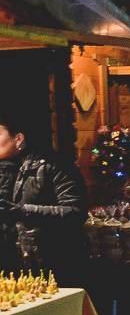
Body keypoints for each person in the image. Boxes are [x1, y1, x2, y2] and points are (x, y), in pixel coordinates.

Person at [0, 117, 86, 286]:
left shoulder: (55, 165)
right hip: (11, 267)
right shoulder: (4, 169)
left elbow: (74, 211)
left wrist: (21, 210)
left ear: (18, 138)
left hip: (49, 263)